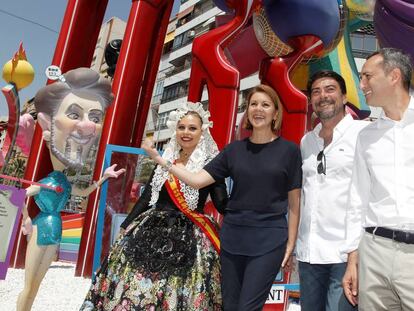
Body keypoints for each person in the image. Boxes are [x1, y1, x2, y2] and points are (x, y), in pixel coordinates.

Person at [143, 84, 302, 311]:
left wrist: (291, 243)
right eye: (253, 104)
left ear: (275, 113)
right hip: (233, 237)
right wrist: (161, 160)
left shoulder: (290, 151)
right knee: (230, 305)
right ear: (247, 111)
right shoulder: (233, 151)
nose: (258, 109)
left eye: (265, 105)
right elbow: (197, 180)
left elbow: (295, 203)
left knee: (248, 307)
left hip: (269, 239)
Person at [80, 102, 228, 310]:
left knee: (182, 286)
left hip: (191, 234)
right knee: (136, 284)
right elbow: (146, 197)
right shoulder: (166, 159)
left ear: (202, 132)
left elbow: (222, 203)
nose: (186, 132)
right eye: (181, 127)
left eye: (192, 128)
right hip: (151, 228)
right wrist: (125, 228)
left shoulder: (212, 164)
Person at [17, 68, 125, 311]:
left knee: (38, 283)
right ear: (47, 127)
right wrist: (25, 220)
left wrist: (103, 178)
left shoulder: (65, 182)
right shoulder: (47, 180)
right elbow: (23, 195)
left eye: (95, 118)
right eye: (74, 114)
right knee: (29, 284)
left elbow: (84, 193)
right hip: (41, 227)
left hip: (56, 230)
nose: (87, 127)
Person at [342, 48, 414, 310]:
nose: (361, 85)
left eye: (367, 76)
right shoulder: (366, 136)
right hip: (374, 252)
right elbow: (357, 198)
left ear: (394, 76)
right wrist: (353, 257)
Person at [297, 70, 368, 311]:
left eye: (330, 89)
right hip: (309, 254)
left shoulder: (363, 134)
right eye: (316, 92)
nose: (322, 96)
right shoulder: (306, 142)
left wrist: (355, 253)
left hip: (346, 254)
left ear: (345, 97)